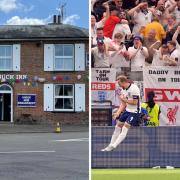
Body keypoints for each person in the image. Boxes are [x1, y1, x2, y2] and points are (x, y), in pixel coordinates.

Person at [101, 75, 141, 151]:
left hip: (135, 112)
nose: (118, 85)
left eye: (119, 83)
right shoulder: (123, 90)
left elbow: (135, 102)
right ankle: (110, 145)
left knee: (125, 128)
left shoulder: (134, 89)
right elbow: (123, 104)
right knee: (117, 127)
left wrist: (124, 100)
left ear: (123, 82)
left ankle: (114, 145)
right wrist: (118, 113)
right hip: (127, 110)